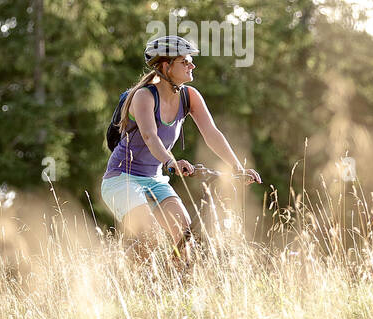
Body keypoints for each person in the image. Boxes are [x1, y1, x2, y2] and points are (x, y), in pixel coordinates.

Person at [100, 34, 262, 267]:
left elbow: (212, 133)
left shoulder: (189, 96)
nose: (192, 65)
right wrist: (171, 162)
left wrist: (238, 167)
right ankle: (119, 279)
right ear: (166, 66)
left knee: (184, 235)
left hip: (154, 179)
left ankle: (179, 286)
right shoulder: (144, 96)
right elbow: (149, 136)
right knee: (150, 237)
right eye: (184, 61)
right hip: (121, 179)